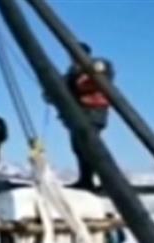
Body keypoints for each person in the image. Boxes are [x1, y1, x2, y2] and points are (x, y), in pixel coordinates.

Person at [62, 42, 115, 191]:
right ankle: (86, 180)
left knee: (92, 147)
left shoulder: (97, 65)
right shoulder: (71, 73)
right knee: (79, 148)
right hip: (77, 113)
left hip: (93, 112)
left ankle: (109, 180)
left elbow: (100, 74)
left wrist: (90, 70)